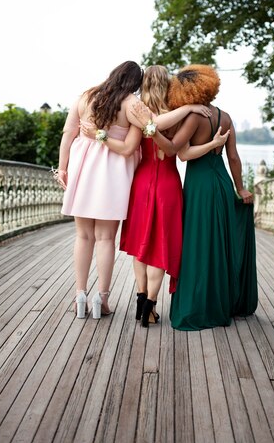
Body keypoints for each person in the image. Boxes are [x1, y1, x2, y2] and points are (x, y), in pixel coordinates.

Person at [56, 61, 213, 320]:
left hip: (82, 171)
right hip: (111, 174)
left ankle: (80, 294)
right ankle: (102, 299)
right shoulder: (130, 104)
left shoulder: (85, 97)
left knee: (83, 236)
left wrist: (63, 168)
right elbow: (151, 128)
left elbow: (68, 134)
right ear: (134, 83)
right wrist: (189, 106)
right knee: (105, 238)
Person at [133, 64, 258, 331]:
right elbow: (233, 157)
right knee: (218, 243)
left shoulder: (193, 118)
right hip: (222, 182)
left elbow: (180, 153)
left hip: (199, 185)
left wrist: (152, 131)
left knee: (198, 244)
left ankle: (198, 303)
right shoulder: (226, 117)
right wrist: (240, 188)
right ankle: (221, 300)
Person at [119, 66, 229, 327]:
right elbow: (176, 151)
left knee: (141, 247)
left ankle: (140, 300)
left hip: (142, 183)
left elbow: (134, 142)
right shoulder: (177, 117)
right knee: (159, 248)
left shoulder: (138, 113)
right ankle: (150, 307)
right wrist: (190, 110)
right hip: (168, 184)